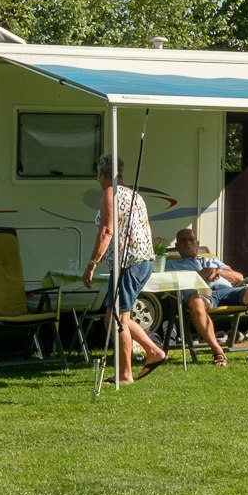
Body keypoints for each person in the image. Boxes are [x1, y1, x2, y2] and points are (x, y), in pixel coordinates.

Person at [82, 157, 168, 383]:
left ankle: (127, 372)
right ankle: (153, 352)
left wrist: (91, 265)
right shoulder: (134, 195)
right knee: (115, 317)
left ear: (102, 175)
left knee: (116, 318)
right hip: (142, 261)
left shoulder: (110, 194)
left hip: (128, 263)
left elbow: (106, 232)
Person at [166, 228, 248, 363]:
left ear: (197, 243)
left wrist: (219, 271)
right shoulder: (170, 264)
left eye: (191, 240)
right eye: (183, 240)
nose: (188, 243)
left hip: (227, 291)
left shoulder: (211, 261)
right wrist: (196, 276)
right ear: (177, 246)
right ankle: (218, 351)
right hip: (203, 295)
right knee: (195, 302)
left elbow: (238, 277)